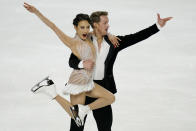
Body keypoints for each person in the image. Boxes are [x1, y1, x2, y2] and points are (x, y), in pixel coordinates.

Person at [69, 11, 172, 131]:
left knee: (105, 128)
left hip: (102, 90)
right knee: (76, 128)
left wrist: (157, 26)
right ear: (96, 25)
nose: (108, 25)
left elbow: (135, 37)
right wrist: (82, 64)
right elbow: (71, 61)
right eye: (105, 22)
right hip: (83, 87)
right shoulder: (84, 40)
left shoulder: (114, 42)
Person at [23, 2, 119, 127]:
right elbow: (53, 26)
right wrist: (36, 12)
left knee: (78, 115)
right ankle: (53, 93)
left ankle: (52, 91)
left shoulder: (89, 36)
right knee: (105, 101)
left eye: (87, 27)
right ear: (75, 28)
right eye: (81, 27)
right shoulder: (73, 42)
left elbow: (99, 32)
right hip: (78, 81)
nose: (85, 30)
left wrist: (110, 35)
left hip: (88, 81)